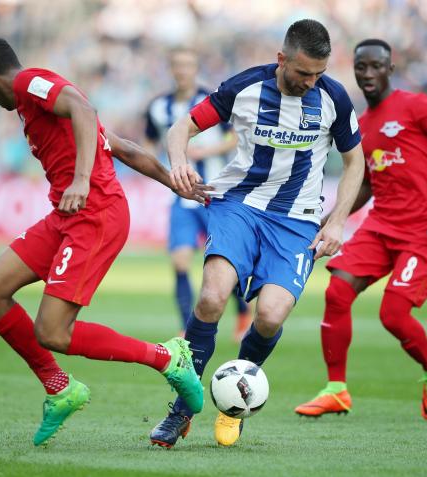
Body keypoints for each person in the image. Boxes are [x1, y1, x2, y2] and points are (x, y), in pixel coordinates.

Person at [0, 37, 206, 447]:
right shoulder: (36, 107)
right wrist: (174, 183)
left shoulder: (29, 83)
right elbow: (125, 149)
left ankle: (168, 357)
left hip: (95, 216)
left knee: (53, 332)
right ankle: (59, 387)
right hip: (65, 216)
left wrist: (80, 179)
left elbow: (83, 107)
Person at [149, 19, 365, 448]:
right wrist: (178, 165)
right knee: (211, 298)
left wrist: (338, 219)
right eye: (303, 73)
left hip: (298, 219)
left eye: (318, 74)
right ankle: (181, 409)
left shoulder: (333, 97)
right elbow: (182, 129)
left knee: (269, 316)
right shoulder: (245, 87)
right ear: (282, 58)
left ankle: (235, 403)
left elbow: (355, 162)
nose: (310, 82)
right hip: (239, 205)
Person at [294, 39, 427, 420]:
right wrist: (333, 219)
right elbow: (366, 184)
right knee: (338, 291)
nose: (368, 74)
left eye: (376, 66)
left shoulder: (415, 106)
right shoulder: (362, 126)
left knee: (393, 315)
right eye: (362, 67)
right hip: (381, 225)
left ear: (390, 69)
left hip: (422, 230)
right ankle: (336, 389)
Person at [144, 47, 252, 340]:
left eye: (188, 65)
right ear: (171, 69)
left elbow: (236, 137)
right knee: (179, 260)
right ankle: (184, 325)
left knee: (222, 263)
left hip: (215, 194)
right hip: (180, 197)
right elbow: (150, 142)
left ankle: (243, 313)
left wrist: (206, 150)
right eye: (177, 65)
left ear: (196, 69)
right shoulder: (158, 107)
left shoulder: (215, 100)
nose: (182, 71)